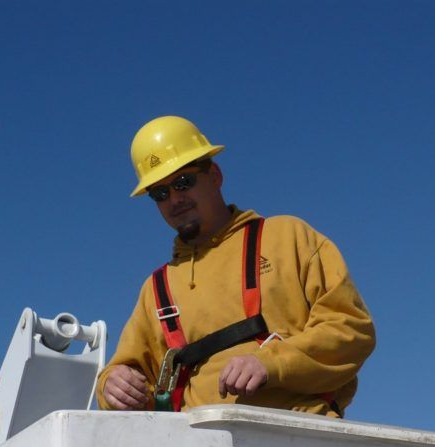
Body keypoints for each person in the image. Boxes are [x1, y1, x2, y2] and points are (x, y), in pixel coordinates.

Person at [96, 116, 375, 417]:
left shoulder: (288, 237)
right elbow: (125, 373)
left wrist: (270, 362)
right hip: (198, 441)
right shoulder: (156, 289)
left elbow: (351, 328)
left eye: (183, 182)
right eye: (160, 193)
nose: (175, 199)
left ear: (215, 175)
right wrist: (112, 385)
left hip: (298, 431)